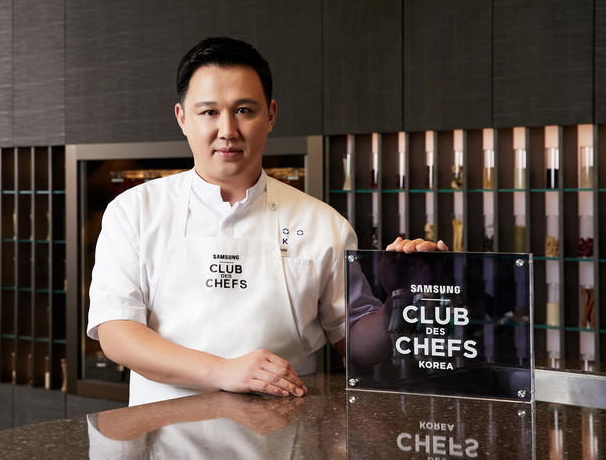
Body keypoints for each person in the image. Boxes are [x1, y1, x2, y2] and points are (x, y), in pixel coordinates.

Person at [87, 36, 447, 406]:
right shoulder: (134, 211)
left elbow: (358, 346)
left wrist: (404, 299)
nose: (228, 130)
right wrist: (224, 371)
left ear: (271, 115)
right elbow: (117, 332)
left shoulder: (325, 225)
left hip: (284, 429)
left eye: (244, 110)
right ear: (182, 118)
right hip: (165, 429)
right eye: (209, 112)